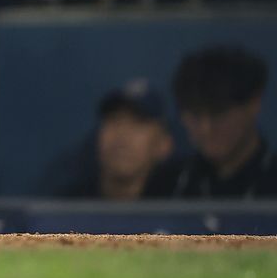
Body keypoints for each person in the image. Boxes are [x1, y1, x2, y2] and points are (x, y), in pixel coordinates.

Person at [146, 45, 276, 198]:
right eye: (195, 115)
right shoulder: (168, 182)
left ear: (253, 104)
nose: (206, 128)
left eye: (218, 113)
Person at [60, 80, 175, 201]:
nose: (121, 136)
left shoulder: (178, 204)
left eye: (138, 123)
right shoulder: (68, 205)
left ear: (164, 144)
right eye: (113, 120)